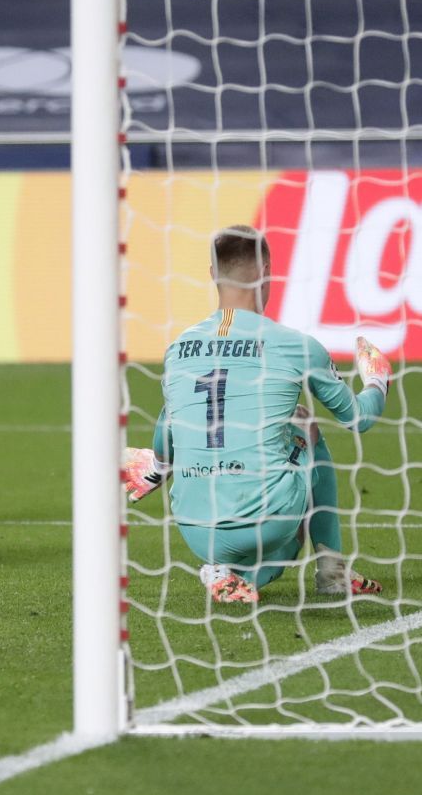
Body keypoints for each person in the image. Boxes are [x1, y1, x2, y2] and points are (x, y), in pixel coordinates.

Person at [123, 225, 389, 605]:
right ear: (267, 270)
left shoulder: (178, 347)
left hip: (195, 527)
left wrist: (158, 467)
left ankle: (222, 571)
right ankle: (331, 568)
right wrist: (377, 379)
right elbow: (358, 418)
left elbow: (169, 427)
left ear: (212, 273)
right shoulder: (295, 346)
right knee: (307, 429)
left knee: (280, 542)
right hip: (268, 520)